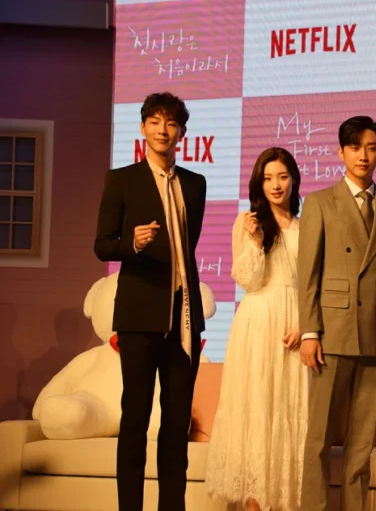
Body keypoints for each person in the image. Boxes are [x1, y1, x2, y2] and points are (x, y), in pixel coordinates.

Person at [94, 91, 207, 511]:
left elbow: (187, 248)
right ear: (143, 128)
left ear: (181, 132)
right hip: (139, 317)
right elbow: (102, 245)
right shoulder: (122, 179)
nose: (163, 130)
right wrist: (133, 244)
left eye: (171, 123)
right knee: (136, 419)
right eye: (155, 122)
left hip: (183, 318)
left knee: (177, 424)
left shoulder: (194, 184)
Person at [297, 115, 376, 511]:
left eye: (372, 148)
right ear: (340, 152)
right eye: (355, 147)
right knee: (318, 438)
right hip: (332, 331)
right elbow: (308, 273)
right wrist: (309, 332)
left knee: (362, 443)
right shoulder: (319, 202)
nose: (364, 155)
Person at [205, 147, 306, 510]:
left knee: (289, 409)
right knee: (256, 409)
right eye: (268, 178)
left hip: (296, 324)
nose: (276, 185)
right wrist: (257, 241)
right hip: (257, 322)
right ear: (258, 184)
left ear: (294, 179)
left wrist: (306, 323)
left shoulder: (307, 226)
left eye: (282, 176)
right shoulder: (247, 222)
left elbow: (313, 283)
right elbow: (248, 279)